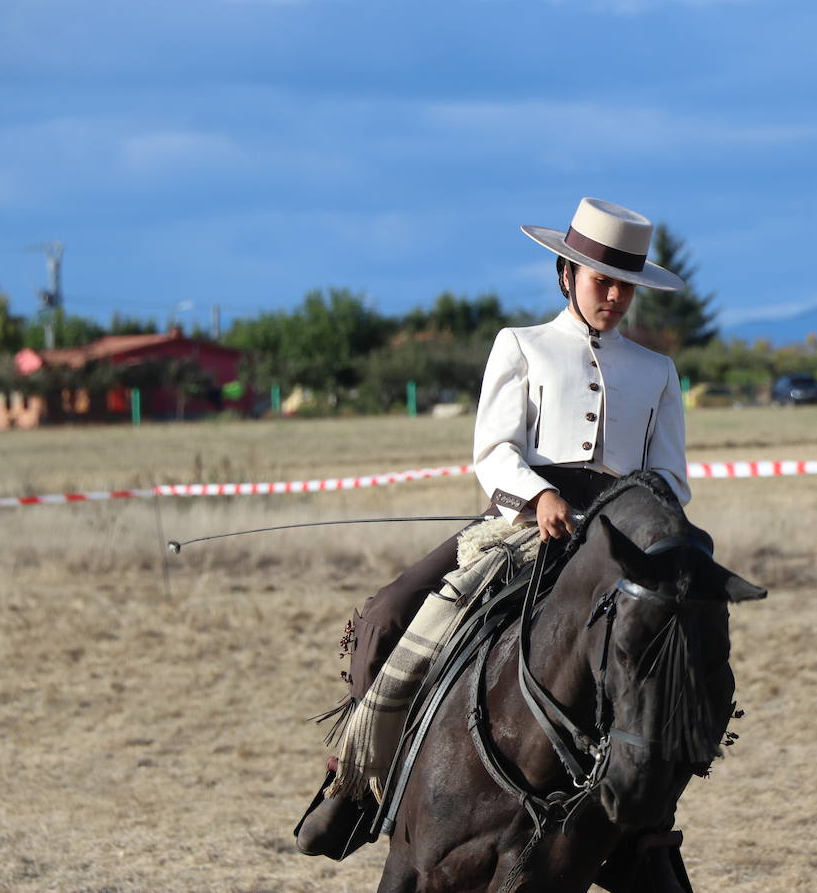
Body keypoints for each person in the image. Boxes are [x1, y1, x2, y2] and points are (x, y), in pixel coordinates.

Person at [297, 197, 695, 888]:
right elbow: (495, 450)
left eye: (625, 284)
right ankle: (359, 784)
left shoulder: (657, 372)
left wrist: (635, 522)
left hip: (617, 546)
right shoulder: (521, 345)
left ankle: (648, 830)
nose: (615, 296)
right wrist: (540, 495)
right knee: (389, 616)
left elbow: (670, 476)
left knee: (676, 663)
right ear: (567, 274)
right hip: (518, 529)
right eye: (602, 280)